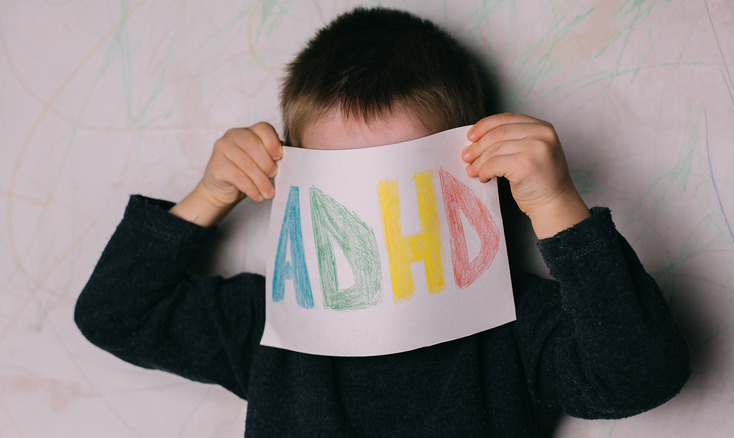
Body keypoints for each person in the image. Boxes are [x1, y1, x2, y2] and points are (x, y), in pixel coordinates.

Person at [75, 7, 690, 437]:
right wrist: (210, 193)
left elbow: (638, 376)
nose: (368, 216)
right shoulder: (273, 330)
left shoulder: (511, 326)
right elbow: (115, 315)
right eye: (344, 184)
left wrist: (556, 205)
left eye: (399, 178)